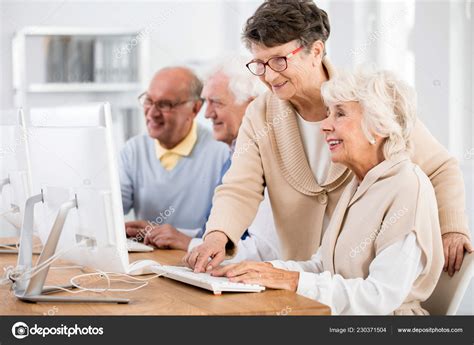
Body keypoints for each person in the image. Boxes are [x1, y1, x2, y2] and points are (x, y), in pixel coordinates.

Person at [184, 0, 472, 276]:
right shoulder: (260, 114)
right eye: (260, 64)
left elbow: (440, 168)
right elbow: (239, 186)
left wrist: (452, 228)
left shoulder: (365, 98)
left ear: (316, 51)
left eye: (279, 61)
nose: (269, 76)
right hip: (299, 279)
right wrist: (217, 235)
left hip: (361, 282)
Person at [211, 69, 444, 315]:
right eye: (328, 113)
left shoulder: (407, 186)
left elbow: (379, 297)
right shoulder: (358, 185)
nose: (324, 125)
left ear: (379, 125)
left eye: (340, 114)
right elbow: (323, 266)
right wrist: (264, 270)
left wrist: (291, 281)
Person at [142, 59, 281, 262]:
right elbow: (224, 234)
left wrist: (188, 243)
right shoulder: (233, 153)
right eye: (206, 102)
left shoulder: (267, 159)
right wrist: (173, 235)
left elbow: (262, 251)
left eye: (216, 102)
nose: (206, 114)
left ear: (252, 105)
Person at [119, 66, 229, 246]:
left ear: (195, 108)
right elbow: (112, 208)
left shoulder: (222, 152)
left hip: (197, 262)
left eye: (164, 104)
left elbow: (231, 232)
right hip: (146, 264)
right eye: (148, 100)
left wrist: (183, 238)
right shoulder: (133, 150)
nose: (152, 113)